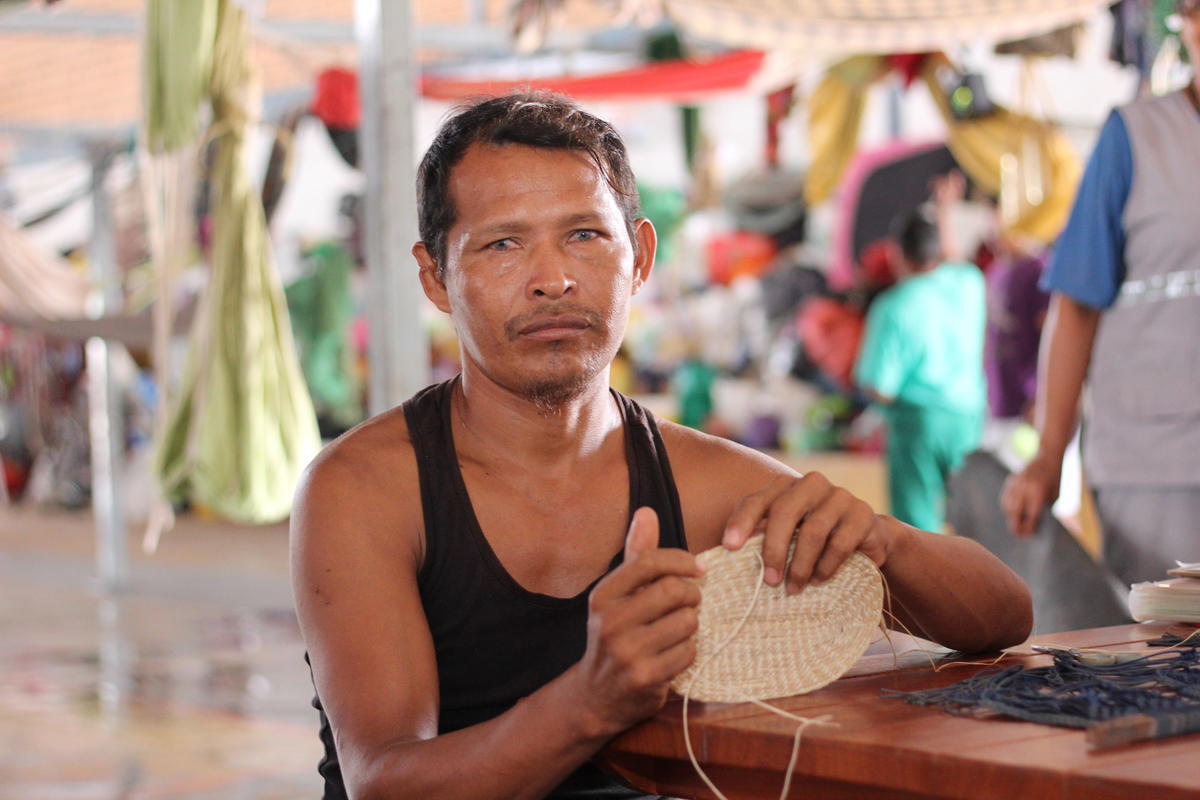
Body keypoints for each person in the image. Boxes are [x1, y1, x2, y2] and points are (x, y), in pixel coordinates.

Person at [291, 92, 1032, 800]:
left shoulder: (703, 480)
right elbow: (384, 783)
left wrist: (884, 542)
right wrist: (592, 699)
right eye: (502, 244)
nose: (552, 279)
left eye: (584, 235)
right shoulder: (365, 490)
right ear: (436, 278)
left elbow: (1003, 620)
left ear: (640, 257)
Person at [1002, 0, 1200, 586]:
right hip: (1155, 461)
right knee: (1167, 657)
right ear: (1186, 22)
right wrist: (1048, 456)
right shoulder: (1134, 138)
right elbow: (1076, 304)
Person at [853, 206, 987, 533]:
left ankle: (928, 586)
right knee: (970, 521)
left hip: (918, 424)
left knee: (917, 529)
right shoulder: (970, 283)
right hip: (969, 418)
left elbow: (880, 386)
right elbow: (957, 262)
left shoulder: (894, 305)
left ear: (897, 254)